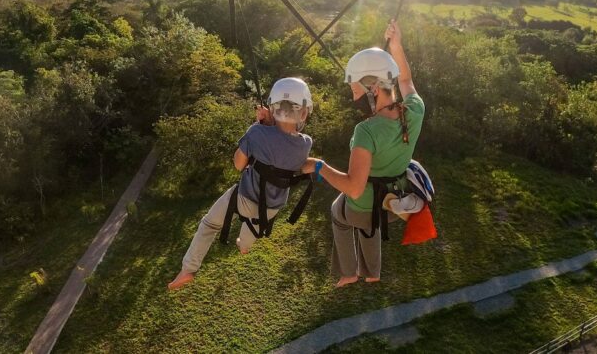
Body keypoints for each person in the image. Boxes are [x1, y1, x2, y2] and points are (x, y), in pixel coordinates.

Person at [168, 77, 315, 290]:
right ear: (304, 112)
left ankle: (188, 270)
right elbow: (284, 140)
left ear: (273, 108)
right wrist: (270, 124)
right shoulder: (305, 143)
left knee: (209, 224)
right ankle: (244, 246)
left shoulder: (257, 133)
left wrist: (258, 125)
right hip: (273, 207)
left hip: (245, 197)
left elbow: (239, 164)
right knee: (252, 227)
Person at [309, 20, 425, 287]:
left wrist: (319, 166)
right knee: (368, 222)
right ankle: (372, 272)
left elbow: (354, 188)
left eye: (355, 90)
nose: (353, 98)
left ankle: (349, 272)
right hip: (393, 202)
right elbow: (405, 79)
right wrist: (397, 46)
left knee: (339, 212)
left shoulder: (366, 131)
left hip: (366, 205)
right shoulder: (414, 112)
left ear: (373, 89)